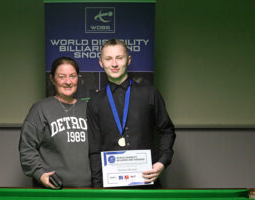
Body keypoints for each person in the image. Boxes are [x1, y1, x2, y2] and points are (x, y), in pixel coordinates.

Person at [87, 39, 176, 188]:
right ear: (101, 63)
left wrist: (162, 162)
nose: (114, 64)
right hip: (109, 187)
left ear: (128, 60)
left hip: (146, 182)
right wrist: (98, 189)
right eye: (108, 59)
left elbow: (167, 130)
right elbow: (95, 148)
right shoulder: (95, 101)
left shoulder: (150, 93)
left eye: (119, 58)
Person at [19, 57, 91, 188]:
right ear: (52, 79)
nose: (68, 82)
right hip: (53, 188)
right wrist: (40, 173)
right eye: (62, 76)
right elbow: (26, 149)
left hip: (87, 188)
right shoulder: (40, 109)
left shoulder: (88, 108)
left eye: (72, 76)